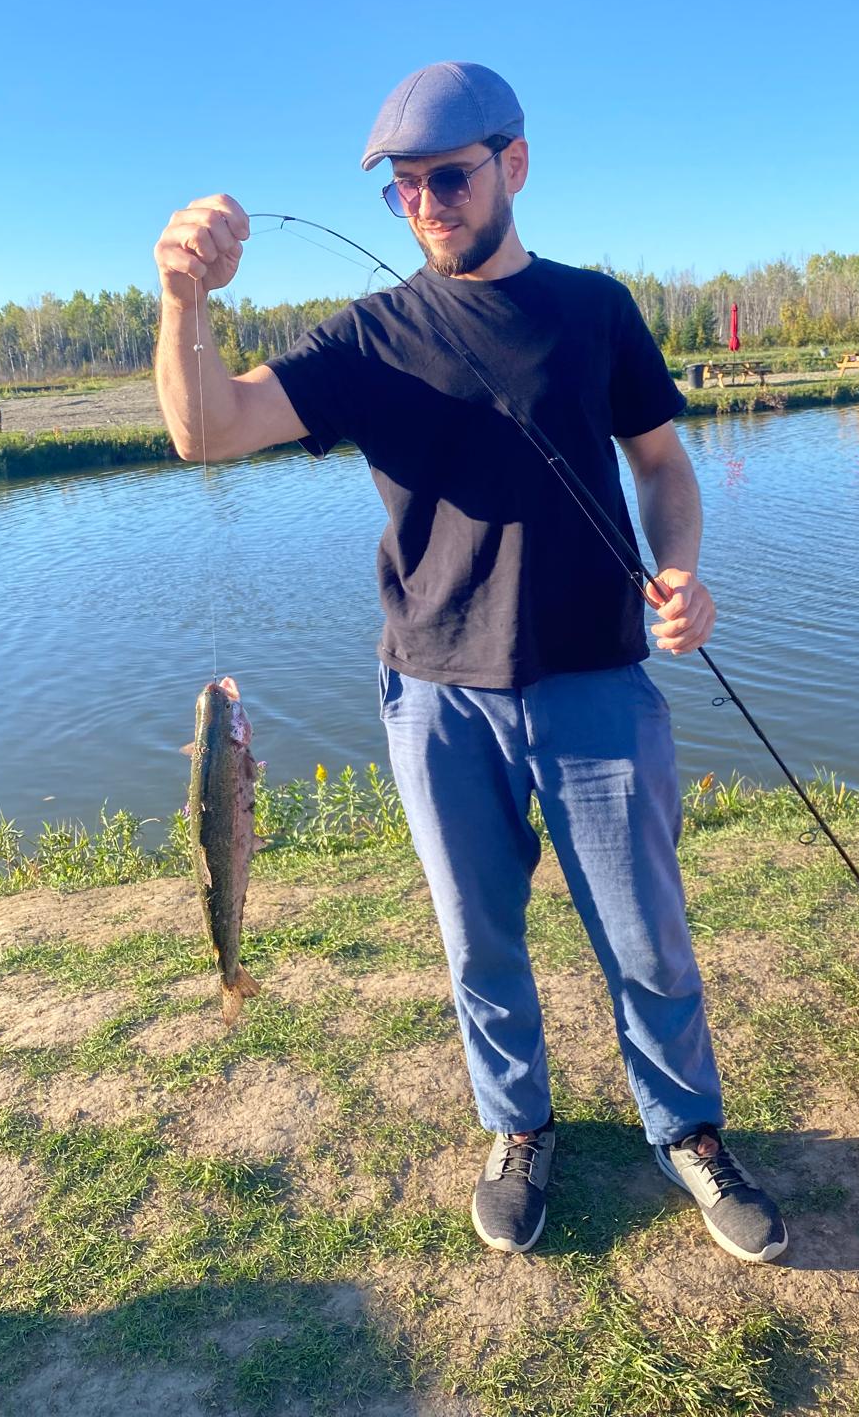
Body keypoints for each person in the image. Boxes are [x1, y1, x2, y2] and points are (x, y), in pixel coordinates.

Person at [153, 61, 788, 1265]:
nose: (429, 204)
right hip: (436, 694)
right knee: (479, 940)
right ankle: (518, 1126)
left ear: (515, 162)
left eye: (449, 176)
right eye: (405, 190)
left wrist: (682, 570)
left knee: (648, 936)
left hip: (598, 679)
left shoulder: (597, 310)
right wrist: (184, 300)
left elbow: (661, 464)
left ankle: (689, 1131)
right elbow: (206, 430)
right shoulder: (372, 339)